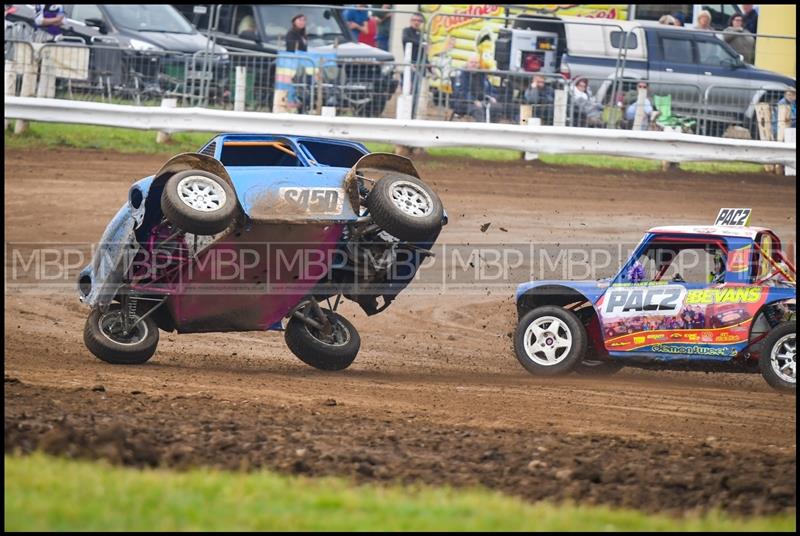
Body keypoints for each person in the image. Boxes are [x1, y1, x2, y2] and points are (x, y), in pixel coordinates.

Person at [451, 56, 497, 122]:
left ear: (479, 65)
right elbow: (460, 93)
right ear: (467, 63)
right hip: (463, 102)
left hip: (480, 100)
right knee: (478, 110)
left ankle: (493, 129)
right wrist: (473, 101)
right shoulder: (461, 74)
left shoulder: (482, 74)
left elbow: (488, 88)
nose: (474, 64)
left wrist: (491, 97)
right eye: (472, 62)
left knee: (496, 107)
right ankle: (481, 129)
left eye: (476, 63)